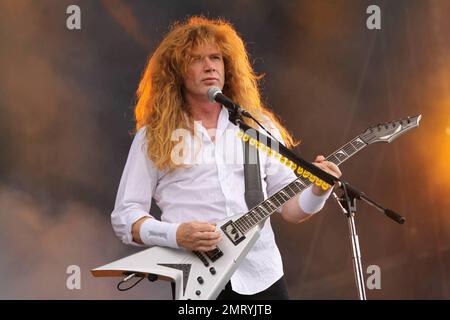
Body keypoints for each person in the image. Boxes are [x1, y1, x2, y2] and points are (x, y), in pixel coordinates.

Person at [111, 16, 341, 300]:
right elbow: (125, 217)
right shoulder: (154, 136)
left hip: (262, 275)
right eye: (196, 59)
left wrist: (319, 191)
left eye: (216, 58)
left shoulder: (257, 128)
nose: (209, 66)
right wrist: (176, 234)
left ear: (227, 66)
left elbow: (292, 209)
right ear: (177, 72)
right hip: (199, 282)